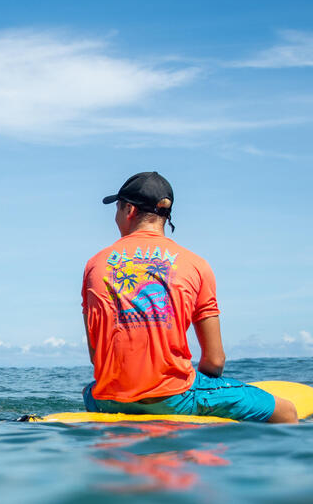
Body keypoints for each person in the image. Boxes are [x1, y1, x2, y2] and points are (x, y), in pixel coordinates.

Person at [81, 172, 297, 423]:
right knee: (287, 411)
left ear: (128, 210)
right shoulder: (196, 265)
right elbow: (215, 360)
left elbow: (97, 356)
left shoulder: (94, 265)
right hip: (174, 399)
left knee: (89, 388)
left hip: (105, 399)